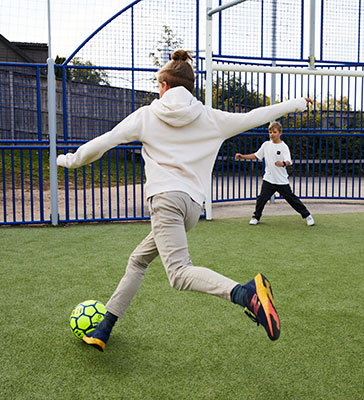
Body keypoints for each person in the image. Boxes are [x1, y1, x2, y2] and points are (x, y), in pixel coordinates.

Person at [57, 49, 312, 351]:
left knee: (178, 274)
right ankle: (104, 328)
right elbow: (254, 116)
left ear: (163, 86)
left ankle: (247, 295)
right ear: (190, 88)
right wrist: (296, 104)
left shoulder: (146, 116)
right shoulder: (211, 118)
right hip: (192, 209)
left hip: (165, 204)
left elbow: (102, 143)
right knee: (138, 260)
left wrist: (69, 160)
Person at [235, 121, 315, 226]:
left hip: (281, 180)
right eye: (270, 132)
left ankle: (308, 216)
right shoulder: (266, 145)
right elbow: (256, 155)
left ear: (280, 133)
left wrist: (282, 163)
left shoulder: (284, 147)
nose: (272, 134)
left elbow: (288, 161)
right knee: (261, 199)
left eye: (274, 132)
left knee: (292, 199)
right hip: (268, 179)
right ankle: (255, 217)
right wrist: (243, 156)